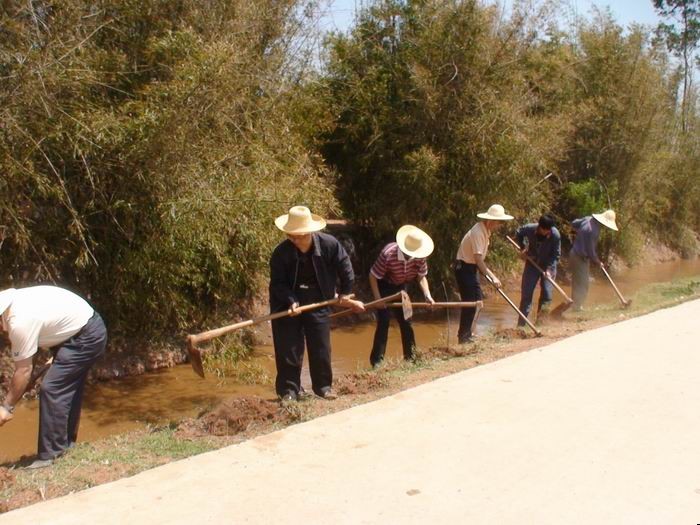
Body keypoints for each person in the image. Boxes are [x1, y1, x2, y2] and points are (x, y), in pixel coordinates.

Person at [0, 285, 107, 469]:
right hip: (75, 333)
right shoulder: (15, 304)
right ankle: (65, 446)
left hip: (86, 335)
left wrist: (6, 406)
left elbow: (23, 371)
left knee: (52, 388)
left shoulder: (19, 322)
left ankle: (50, 455)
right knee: (65, 387)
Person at [269, 206, 364, 402]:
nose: (295, 240)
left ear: (311, 232)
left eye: (300, 236)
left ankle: (323, 387)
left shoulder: (329, 245)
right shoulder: (280, 253)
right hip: (287, 304)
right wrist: (291, 300)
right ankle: (289, 391)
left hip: (319, 299)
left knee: (320, 345)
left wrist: (345, 293)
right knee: (288, 347)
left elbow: (345, 267)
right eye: (291, 236)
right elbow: (277, 283)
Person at [368, 225, 435, 367]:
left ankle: (411, 358)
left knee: (407, 321)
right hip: (384, 286)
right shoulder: (388, 254)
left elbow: (421, 277)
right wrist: (378, 299)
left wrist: (427, 295)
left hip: (402, 288)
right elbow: (373, 276)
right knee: (384, 322)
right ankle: (377, 362)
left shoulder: (420, 256)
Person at [454, 204, 514, 343]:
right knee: (470, 302)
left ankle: (468, 333)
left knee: (477, 300)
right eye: (499, 222)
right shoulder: (478, 232)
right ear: (491, 221)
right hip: (464, 268)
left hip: (471, 268)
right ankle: (463, 336)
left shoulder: (485, 231)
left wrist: (491, 276)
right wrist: (492, 277)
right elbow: (478, 258)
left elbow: (478, 261)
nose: (499, 225)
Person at [514, 214, 561, 324]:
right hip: (532, 263)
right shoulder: (530, 228)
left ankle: (541, 322)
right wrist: (523, 247)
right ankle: (522, 324)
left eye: (548, 231)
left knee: (547, 294)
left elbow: (556, 255)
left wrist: (549, 270)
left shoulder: (555, 235)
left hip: (548, 265)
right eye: (543, 230)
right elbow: (518, 233)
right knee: (526, 294)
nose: (546, 233)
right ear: (539, 227)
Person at [569, 209, 618, 311]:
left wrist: (577, 232)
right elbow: (591, 251)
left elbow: (574, 223)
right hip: (579, 257)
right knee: (583, 284)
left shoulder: (588, 219)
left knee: (578, 282)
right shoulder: (593, 231)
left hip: (575, 254)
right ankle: (576, 307)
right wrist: (598, 262)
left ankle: (575, 305)